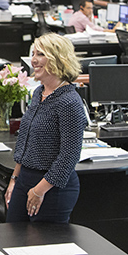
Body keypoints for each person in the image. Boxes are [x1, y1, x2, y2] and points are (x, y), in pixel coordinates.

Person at [5, 33, 85, 224]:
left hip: (53, 187)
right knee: (12, 239)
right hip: (25, 179)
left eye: (40, 54)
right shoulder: (38, 93)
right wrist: (14, 179)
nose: (33, 60)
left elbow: (69, 156)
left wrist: (39, 190)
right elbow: (25, 141)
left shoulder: (69, 101)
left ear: (58, 59)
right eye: (33, 53)